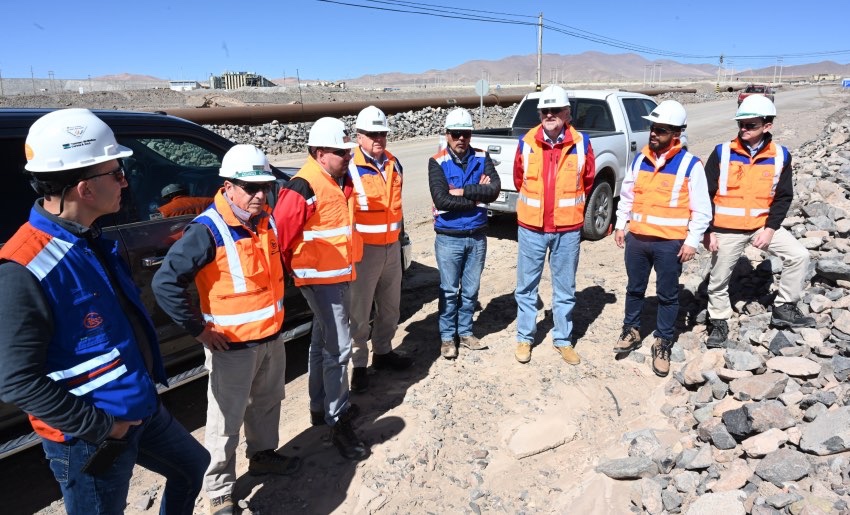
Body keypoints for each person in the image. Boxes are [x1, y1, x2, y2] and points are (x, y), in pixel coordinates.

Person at [0, 108, 209, 515]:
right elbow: (16, 381)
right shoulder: (26, 268)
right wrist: (104, 428)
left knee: (191, 467)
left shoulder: (88, 238)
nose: (125, 181)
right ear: (84, 188)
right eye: (115, 172)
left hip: (136, 405)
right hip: (90, 435)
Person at [153, 144, 298, 515]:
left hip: (270, 336)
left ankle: (263, 455)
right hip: (231, 346)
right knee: (225, 420)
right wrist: (199, 331)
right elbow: (165, 284)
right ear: (228, 186)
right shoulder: (208, 230)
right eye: (250, 188)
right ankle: (218, 489)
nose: (260, 195)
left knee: (267, 404)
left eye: (264, 187)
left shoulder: (265, 220)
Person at [274, 117, 368, 461]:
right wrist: (296, 274)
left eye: (348, 151)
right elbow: (281, 236)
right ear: (318, 152)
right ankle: (337, 419)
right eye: (340, 151)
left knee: (320, 342)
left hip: (336, 276)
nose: (347, 156)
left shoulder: (337, 180)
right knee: (339, 350)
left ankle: (319, 407)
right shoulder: (305, 186)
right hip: (320, 281)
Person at [703, 95, 815, 347]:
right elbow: (705, 194)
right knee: (719, 278)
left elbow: (784, 197)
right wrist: (706, 230)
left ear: (767, 126)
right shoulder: (722, 152)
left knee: (799, 255)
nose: (743, 129)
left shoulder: (780, 156)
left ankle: (784, 307)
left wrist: (770, 228)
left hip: (760, 226)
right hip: (725, 229)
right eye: (741, 124)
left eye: (750, 125)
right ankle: (719, 320)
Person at [612, 100, 712, 377]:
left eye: (662, 130)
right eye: (653, 128)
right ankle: (631, 330)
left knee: (668, 295)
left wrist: (692, 241)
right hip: (638, 241)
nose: (653, 134)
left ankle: (663, 341)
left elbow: (702, 209)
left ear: (676, 134)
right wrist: (621, 225)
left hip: (670, 244)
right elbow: (628, 196)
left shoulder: (691, 165)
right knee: (635, 288)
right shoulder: (639, 160)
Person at [512, 85, 595, 365]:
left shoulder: (582, 144)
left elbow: (588, 180)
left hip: (567, 230)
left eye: (555, 110)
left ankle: (563, 339)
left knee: (565, 288)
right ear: (539, 113)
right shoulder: (527, 142)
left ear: (567, 113)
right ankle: (525, 337)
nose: (549, 115)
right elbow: (518, 178)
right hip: (531, 228)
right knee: (526, 287)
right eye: (545, 111)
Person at [347, 106, 412, 392]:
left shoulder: (394, 164)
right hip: (364, 252)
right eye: (372, 134)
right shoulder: (348, 167)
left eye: (382, 134)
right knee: (359, 314)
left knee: (390, 307)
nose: (378, 139)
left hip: (391, 248)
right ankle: (359, 365)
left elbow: (397, 208)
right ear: (358, 136)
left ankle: (383, 352)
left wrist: (400, 239)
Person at [429, 108, 501, 359]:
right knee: (449, 290)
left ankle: (466, 332)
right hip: (449, 237)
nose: (461, 138)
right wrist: (476, 198)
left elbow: (493, 190)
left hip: (477, 236)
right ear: (447, 135)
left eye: (466, 134)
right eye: (456, 133)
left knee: (470, 289)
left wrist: (460, 191)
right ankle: (448, 337)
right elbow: (441, 199)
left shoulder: (482, 157)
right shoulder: (437, 162)